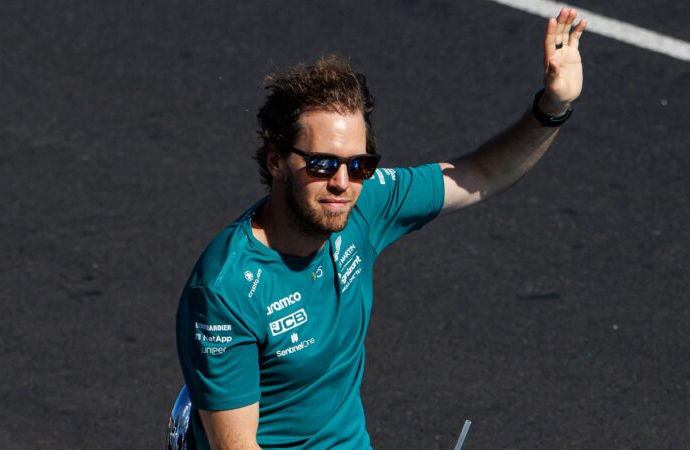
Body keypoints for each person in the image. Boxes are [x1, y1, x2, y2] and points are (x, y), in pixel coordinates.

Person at [175, 7, 587, 450]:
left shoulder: (362, 204)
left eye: (359, 164)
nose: (342, 182)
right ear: (276, 160)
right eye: (321, 163)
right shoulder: (226, 290)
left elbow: (479, 174)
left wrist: (553, 107)